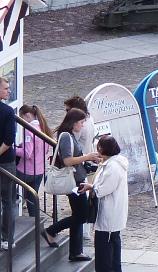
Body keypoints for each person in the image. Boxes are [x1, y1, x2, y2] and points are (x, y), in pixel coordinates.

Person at [44, 108, 98, 262]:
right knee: (82, 215)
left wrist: (88, 158)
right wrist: (86, 157)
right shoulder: (66, 136)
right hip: (73, 181)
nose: (82, 125)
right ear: (74, 123)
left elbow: (73, 157)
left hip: (77, 179)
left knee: (78, 214)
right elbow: (67, 160)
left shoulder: (70, 135)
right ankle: (51, 231)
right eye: (81, 122)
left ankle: (75, 251)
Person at [83, 135, 128, 272]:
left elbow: (104, 189)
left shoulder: (112, 167)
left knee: (105, 253)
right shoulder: (111, 163)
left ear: (103, 149)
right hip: (111, 214)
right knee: (112, 248)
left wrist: (92, 188)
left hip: (109, 215)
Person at [15, 104, 53, 217]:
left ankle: (10, 218)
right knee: (32, 199)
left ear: (27, 115)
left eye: (21, 118)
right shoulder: (43, 127)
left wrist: (13, 149)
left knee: (9, 191)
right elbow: (45, 149)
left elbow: (27, 153)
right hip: (39, 170)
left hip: (25, 170)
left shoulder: (29, 129)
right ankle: (35, 223)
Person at [0, 78, 15, 251]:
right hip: (6, 162)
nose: (8, 91)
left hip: (6, 162)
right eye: (5, 88)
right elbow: (9, 140)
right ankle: (6, 238)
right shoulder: (8, 111)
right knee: (8, 201)